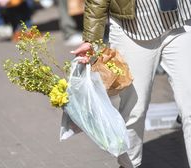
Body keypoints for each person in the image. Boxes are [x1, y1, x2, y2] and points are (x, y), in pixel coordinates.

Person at [72, 0, 191, 168]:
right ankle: (129, 164)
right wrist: (91, 39)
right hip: (133, 29)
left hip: (182, 22)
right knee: (135, 110)